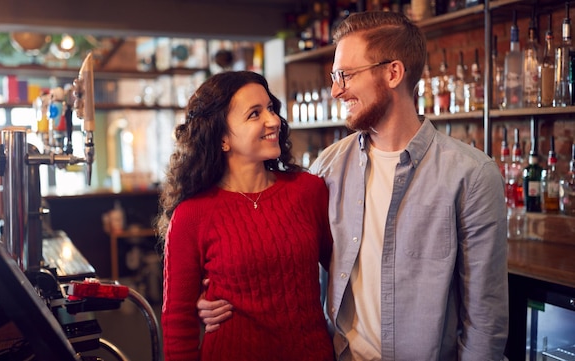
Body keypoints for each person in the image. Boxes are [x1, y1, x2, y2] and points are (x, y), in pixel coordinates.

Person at [197, 11, 509, 361]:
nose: (335, 89)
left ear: (393, 73)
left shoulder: (471, 175)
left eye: (345, 75)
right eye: (334, 76)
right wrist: (218, 293)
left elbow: (485, 318)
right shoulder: (326, 169)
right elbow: (277, 254)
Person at [157, 70, 334, 361]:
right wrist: (199, 304)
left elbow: (345, 272)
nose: (273, 120)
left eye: (271, 109)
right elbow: (178, 324)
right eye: (254, 114)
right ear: (222, 138)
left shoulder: (308, 190)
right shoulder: (191, 215)